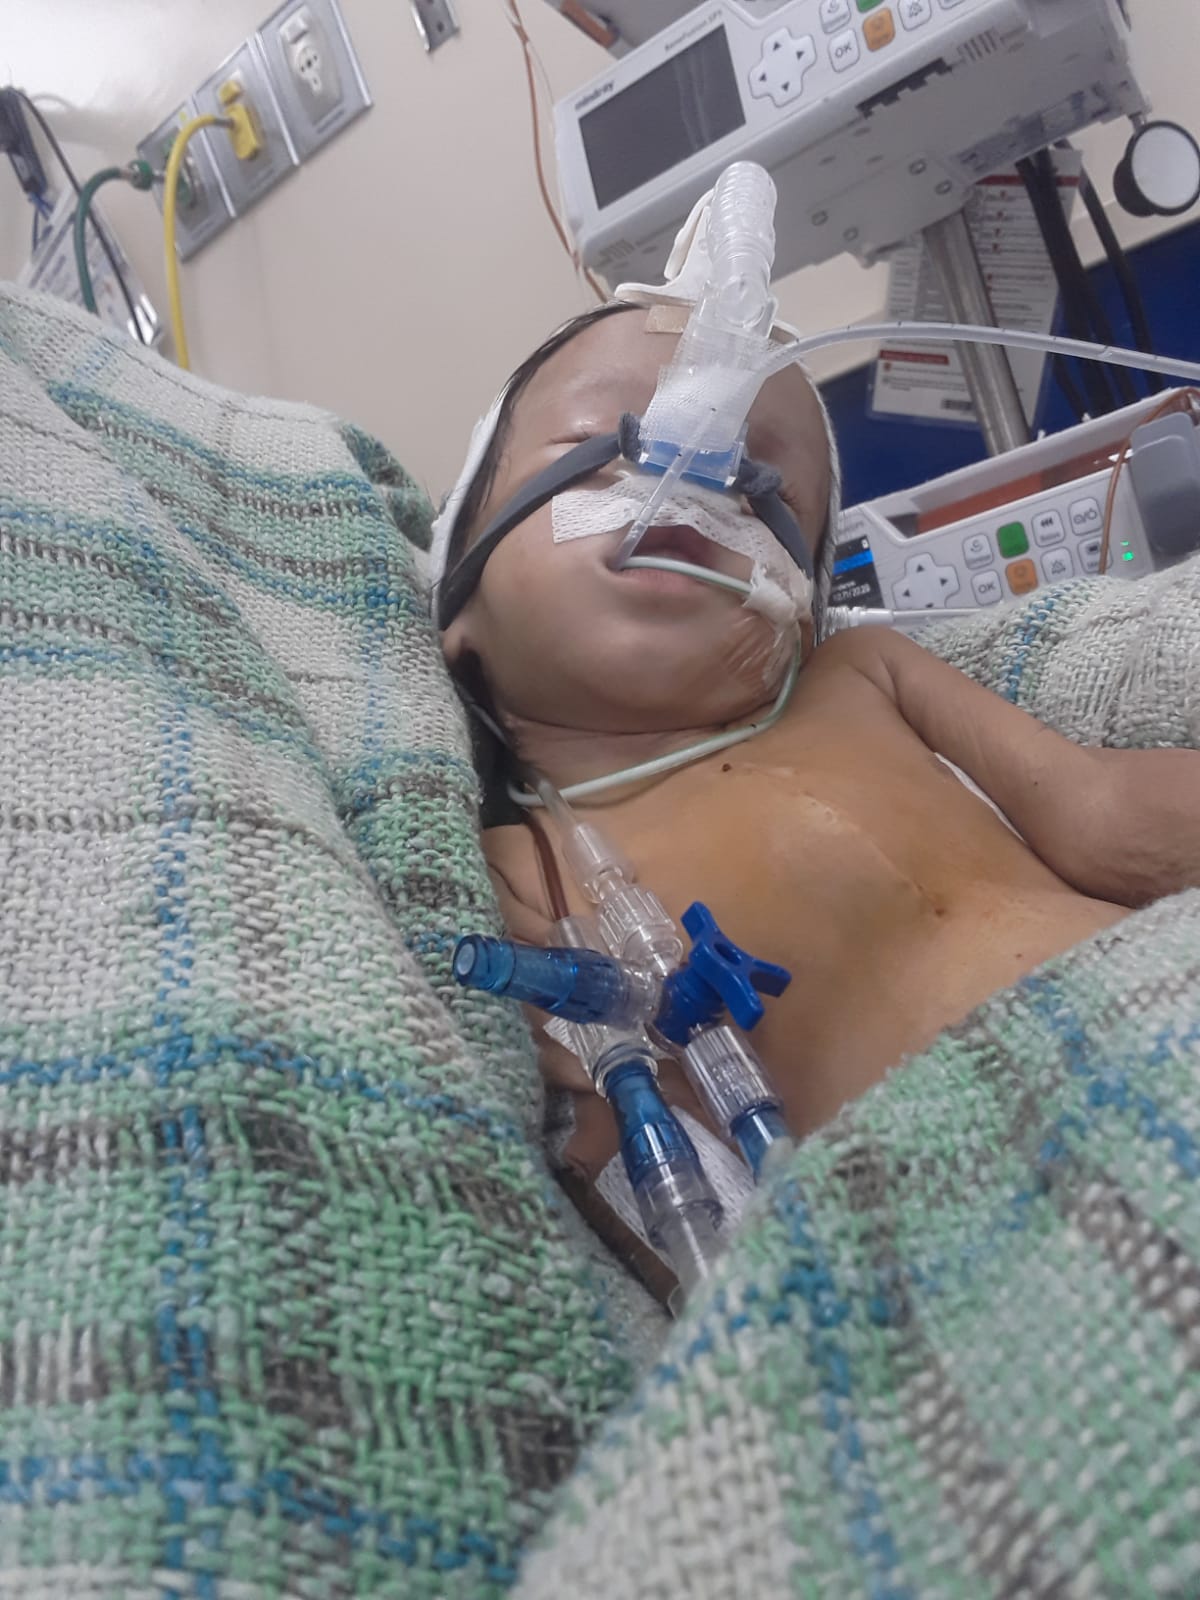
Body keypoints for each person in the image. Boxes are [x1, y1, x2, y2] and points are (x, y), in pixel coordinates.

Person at [434, 300, 1200, 1276]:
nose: (691, 479)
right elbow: (622, 1168)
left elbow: (1105, 815)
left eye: (763, 487)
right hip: (996, 1215)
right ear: (458, 607)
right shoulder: (513, 868)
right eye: (602, 442)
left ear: (803, 613)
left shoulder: (863, 676)